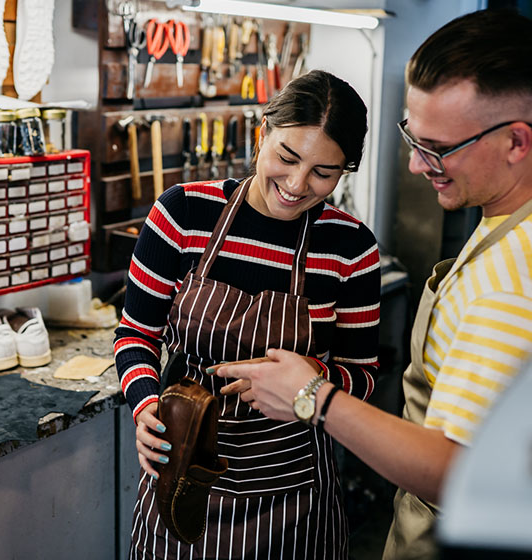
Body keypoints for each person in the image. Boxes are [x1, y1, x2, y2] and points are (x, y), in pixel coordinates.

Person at [214, 10, 532, 560]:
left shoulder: (515, 283)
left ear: (517, 141)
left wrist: (313, 397)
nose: (415, 165)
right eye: (412, 135)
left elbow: (456, 474)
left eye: (437, 148)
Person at [114, 69, 383, 558]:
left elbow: (363, 375)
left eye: (324, 173)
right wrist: (146, 407)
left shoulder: (351, 247)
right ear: (263, 133)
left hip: (294, 494)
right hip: (182, 474)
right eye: (287, 157)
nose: (298, 185)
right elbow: (135, 334)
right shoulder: (183, 214)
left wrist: (309, 381)